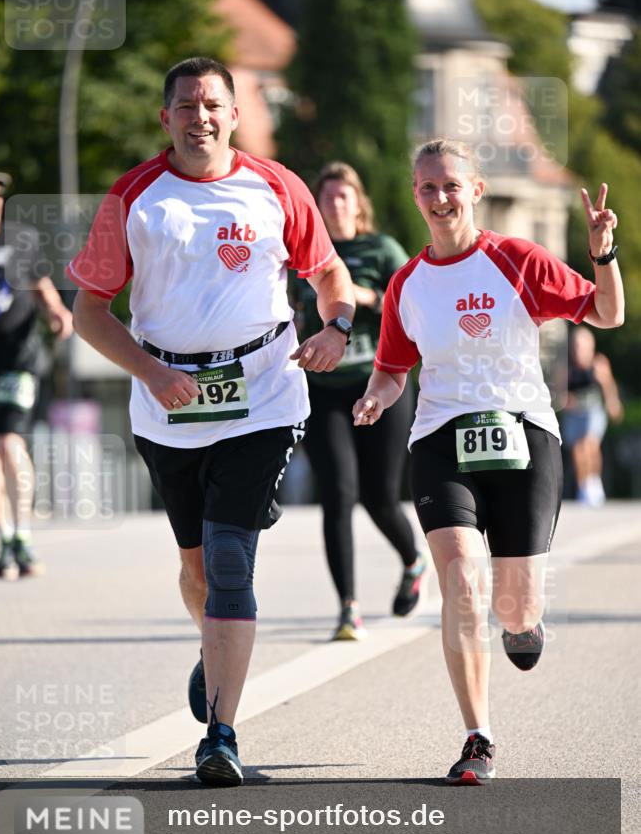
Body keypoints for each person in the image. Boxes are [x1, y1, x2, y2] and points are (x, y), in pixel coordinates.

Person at [69, 57, 355, 788]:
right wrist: (153, 372)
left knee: (230, 559)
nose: (200, 116)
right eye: (187, 105)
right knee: (196, 567)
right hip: (166, 401)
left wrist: (337, 328)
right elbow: (90, 312)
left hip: (262, 390)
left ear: (235, 115)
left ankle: (220, 735)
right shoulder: (135, 196)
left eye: (213, 104)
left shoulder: (277, 186)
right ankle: (214, 644)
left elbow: (328, 276)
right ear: (165, 118)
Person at [353, 138, 624, 785]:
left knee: (513, 605)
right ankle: (477, 735)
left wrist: (601, 251)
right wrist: (374, 393)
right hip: (441, 438)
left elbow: (607, 313)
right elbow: (393, 369)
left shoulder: (516, 261)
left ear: (475, 190)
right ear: (414, 195)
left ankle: (523, 624)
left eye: (451, 185)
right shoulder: (406, 284)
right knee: (462, 583)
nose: (439, 197)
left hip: (524, 436)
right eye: (427, 187)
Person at [292, 162, 426, 640]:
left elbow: (414, 303)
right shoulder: (306, 255)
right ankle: (348, 608)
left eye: (344, 197)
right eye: (327, 198)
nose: (336, 205)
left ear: (358, 203)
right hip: (324, 391)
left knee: (379, 496)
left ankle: (413, 561)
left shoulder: (382, 249)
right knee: (337, 495)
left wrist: (363, 297)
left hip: (380, 385)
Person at [0, 168, 73, 579]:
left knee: (8, 441)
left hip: (19, 356)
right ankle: (7, 538)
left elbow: (41, 285)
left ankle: (25, 536)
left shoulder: (21, 239)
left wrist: (56, 312)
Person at [561, 325, 623, 506]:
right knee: (578, 449)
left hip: (593, 411)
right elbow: (558, 393)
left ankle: (594, 480)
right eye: (575, 346)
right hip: (574, 413)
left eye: (581, 346)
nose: (578, 350)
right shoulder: (566, 368)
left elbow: (609, 387)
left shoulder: (599, 363)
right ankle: (584, 486)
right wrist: (565, 400)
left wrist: (613, 405)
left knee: (590, 443)